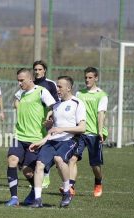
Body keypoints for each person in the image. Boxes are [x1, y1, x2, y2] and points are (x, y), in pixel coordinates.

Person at [29, 76, 86, 208]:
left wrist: (62, 129)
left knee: (59, 159)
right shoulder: (56, 105)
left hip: (70, 139)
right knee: (39, 164)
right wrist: (42, 140)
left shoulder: (77, 103)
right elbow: (53, 130)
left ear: (68, 88)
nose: (57, 89)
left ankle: (67, 191)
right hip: (53, 140)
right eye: (56, 86)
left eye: (60, 86)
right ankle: (37, 199)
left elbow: (82, 128)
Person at [5, 68, 56, 207]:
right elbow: (15, 100)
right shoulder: (20, 93)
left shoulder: (41, 91)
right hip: (19, 135)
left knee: (28, 172)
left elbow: (53, 105)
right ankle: (14, 197)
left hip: (36, 138)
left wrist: (49, 117)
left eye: (22, 81)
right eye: (18, 81)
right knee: (12, 160)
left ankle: (35, 190)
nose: (19, 83)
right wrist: (17, 105)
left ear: (30, 79)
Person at [68, 67, 108, 197]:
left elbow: (100, 114)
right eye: (86, 77)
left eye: (90, 77)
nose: (87, 80)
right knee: (73, 159)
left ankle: (98, 182)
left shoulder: (102, 95)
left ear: (96, 78)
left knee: (95, 165)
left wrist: (100, 131)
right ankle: (70, 186)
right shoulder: (79, 94)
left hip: (94, 134)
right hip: (81, 133)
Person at [32, 60, 60, 189]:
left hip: (47, 122)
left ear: (44, 70)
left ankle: (46, 176)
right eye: (35, 69)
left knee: (45, 149)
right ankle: (40, 175)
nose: (37, 72)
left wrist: (51, 117)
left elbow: (56, 103)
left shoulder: (50, 84)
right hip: (34, 122)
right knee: (35, 149)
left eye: (39, 69)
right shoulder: (31, 84)